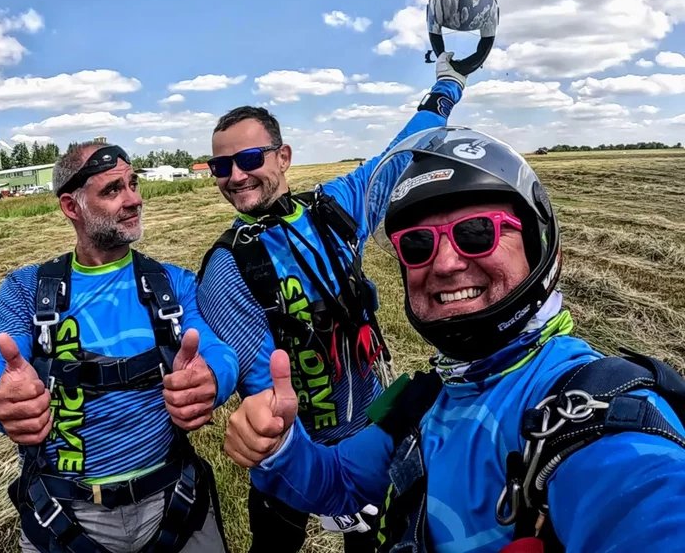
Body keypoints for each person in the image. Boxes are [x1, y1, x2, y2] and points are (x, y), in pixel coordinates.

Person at [223, 127, 685, 552]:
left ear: (537, 245)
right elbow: (338, 481)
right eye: (418, 244)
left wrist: (446, 87)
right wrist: (280, 447)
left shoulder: (590, 411)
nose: (444, 263)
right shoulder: (427, 401)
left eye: (476, 233)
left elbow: (646, 503)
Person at [197, 55, 467, 552]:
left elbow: (400, 154)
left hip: (371, 429)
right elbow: (264, 391)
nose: (235, 176)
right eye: (221, 166)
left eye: (250, 159)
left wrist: (448, 85)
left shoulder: (332, 211)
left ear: (283, 157)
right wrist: (318, 478)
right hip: (297, 451)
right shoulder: (227, 270)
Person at [0, 141, 239, 553]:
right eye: (113, 189)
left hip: (173, 501)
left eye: (133, 184)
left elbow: (218, 351)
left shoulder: (172, 284)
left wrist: (212, 380)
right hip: (63, 513)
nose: (134, 199)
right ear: (71, 206)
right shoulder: (27, 290)